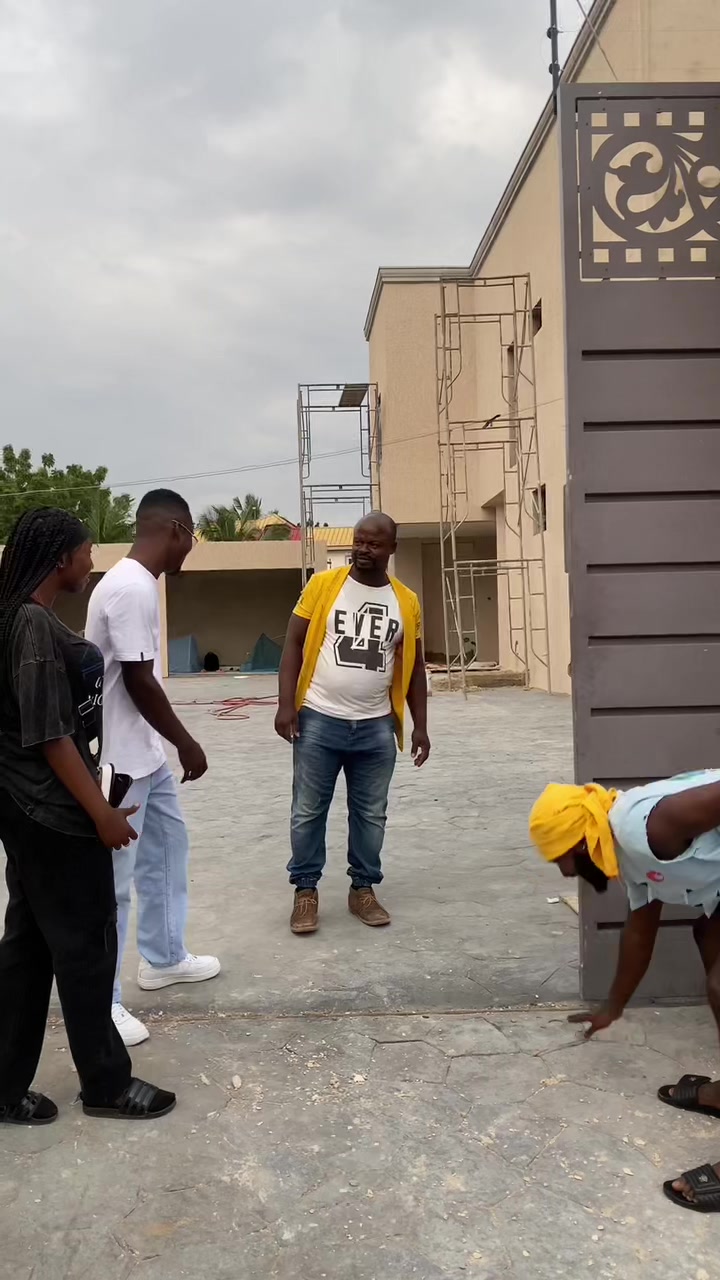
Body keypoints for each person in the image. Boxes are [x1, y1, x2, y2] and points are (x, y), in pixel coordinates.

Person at [0, 508, 175, 1124]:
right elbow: (51, 735)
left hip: (29, 811)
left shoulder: (23, 618)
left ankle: (5, 1087)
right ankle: (106, 1085)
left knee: (28, 950)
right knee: (88, 949)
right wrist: (100, 812)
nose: (91, 561)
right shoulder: (31, 625)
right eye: (85, 551)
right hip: (52, 815)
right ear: (60, 558)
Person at [529, 774, 720, 1212]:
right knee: (709, 934)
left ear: (581, 842)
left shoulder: (647, 825)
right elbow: (639, 931)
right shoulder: (625, 852)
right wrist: (611, 1007)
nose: (565, 872)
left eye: (561, 858)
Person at [86, 489, 219, 1048]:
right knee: (113, 888)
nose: (190, 549)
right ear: (176, 530)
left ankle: (163, 958)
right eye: (191, 537)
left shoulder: (139, 583)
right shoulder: (131, 587)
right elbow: (139, 682)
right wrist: (187, 743)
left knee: (167, 850)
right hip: (119, 761)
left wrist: (164, 750)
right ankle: (102, 1005)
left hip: (145, 756)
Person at [275, 512, 430, 934]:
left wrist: (419, 725)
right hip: (318, 719)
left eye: (373, 544)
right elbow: (293, 643)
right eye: (359, 541)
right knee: (308, 811)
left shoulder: (406, 601)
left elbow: (415, 667)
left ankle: (362, 888)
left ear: (391, 548)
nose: (363, 549)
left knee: (371, 814)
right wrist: (286, 704)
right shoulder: (324, 585)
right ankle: (305, 891)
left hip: (377, 726)